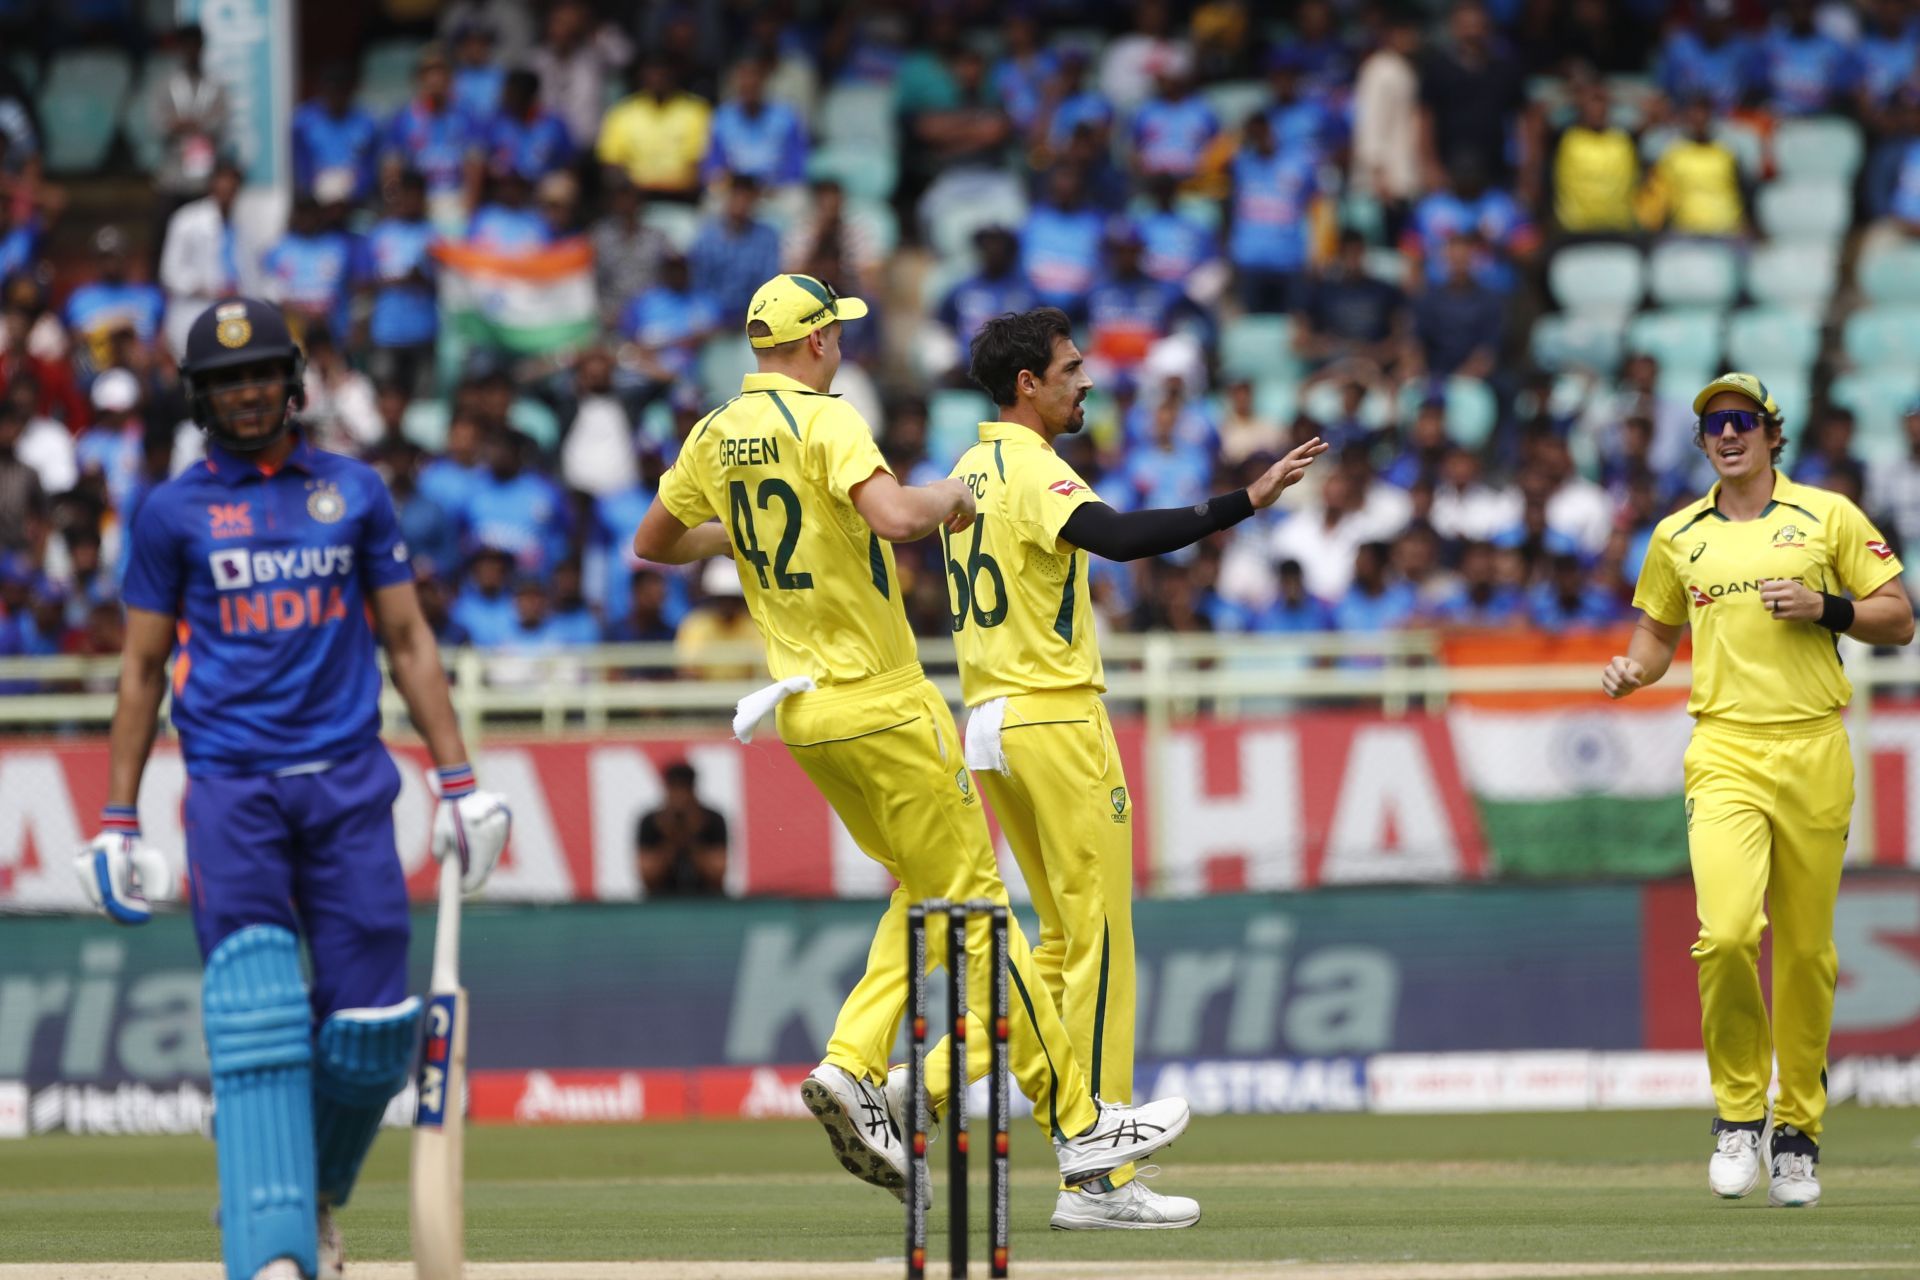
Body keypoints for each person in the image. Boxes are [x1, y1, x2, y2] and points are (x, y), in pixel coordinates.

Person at [631, 273, 1192, 1204]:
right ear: (815, 345)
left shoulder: (712, 433)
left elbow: (656, 540)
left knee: (923, 893)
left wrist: (739, 542)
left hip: (802, 714)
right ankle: (1084, 1125)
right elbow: (894, 519)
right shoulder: (828, 420)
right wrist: (947, 502)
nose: (843, 345)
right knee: (980, 911)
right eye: (837, 333)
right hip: (884, 701)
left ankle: (856, 1062)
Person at [71, 298, 510, 1280]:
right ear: (200, 397)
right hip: (233, 792)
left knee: (369, 1035)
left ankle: (305, 1185)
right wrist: (115, 819)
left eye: (262, 372)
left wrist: (461, 783)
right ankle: (276, 1234)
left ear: (295, 378)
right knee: (260, 1016)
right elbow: (140, 673)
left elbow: (407, 640)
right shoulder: (171, 511)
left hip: (351, 785)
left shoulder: (352, 490)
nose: (247, 391)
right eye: (225, 379)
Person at [933, 306, 1322, 1228]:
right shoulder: (1031, 466)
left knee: (1060, 948)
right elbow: (1117, 540)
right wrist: (1246, 501)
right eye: (1071, 369)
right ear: (1027, 384)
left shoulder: (966, 467)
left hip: (990, 717)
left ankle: (938, 1080)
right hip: (1055, 717)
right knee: (1102, 943)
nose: (1087, 381)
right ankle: (1098, 1175)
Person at [1602, 373, 1915, 1211]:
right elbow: (1656, 632)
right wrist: (1636, 669)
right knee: (1730, 933)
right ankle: (1738, 1116)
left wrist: (1825, 606)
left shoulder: (1829, 516)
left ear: (1772, 434)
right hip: (1726, 750)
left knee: (1808, 954)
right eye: (1713, 425)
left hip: (1814, 746)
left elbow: (1900, 616)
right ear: (1702, 444)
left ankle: (1797, 1134)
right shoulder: (1678, 534)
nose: (1728, 434)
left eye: (1742, 421)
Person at [636, 760, 728, 896]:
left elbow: (717, 876)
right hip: (661, 900)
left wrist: (692, 838)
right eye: (674, 790)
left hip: (706, 899)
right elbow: (648, 878)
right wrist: (671, 840)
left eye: (683, 790)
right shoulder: (651, 822)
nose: (679, 799)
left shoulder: (712, 820)